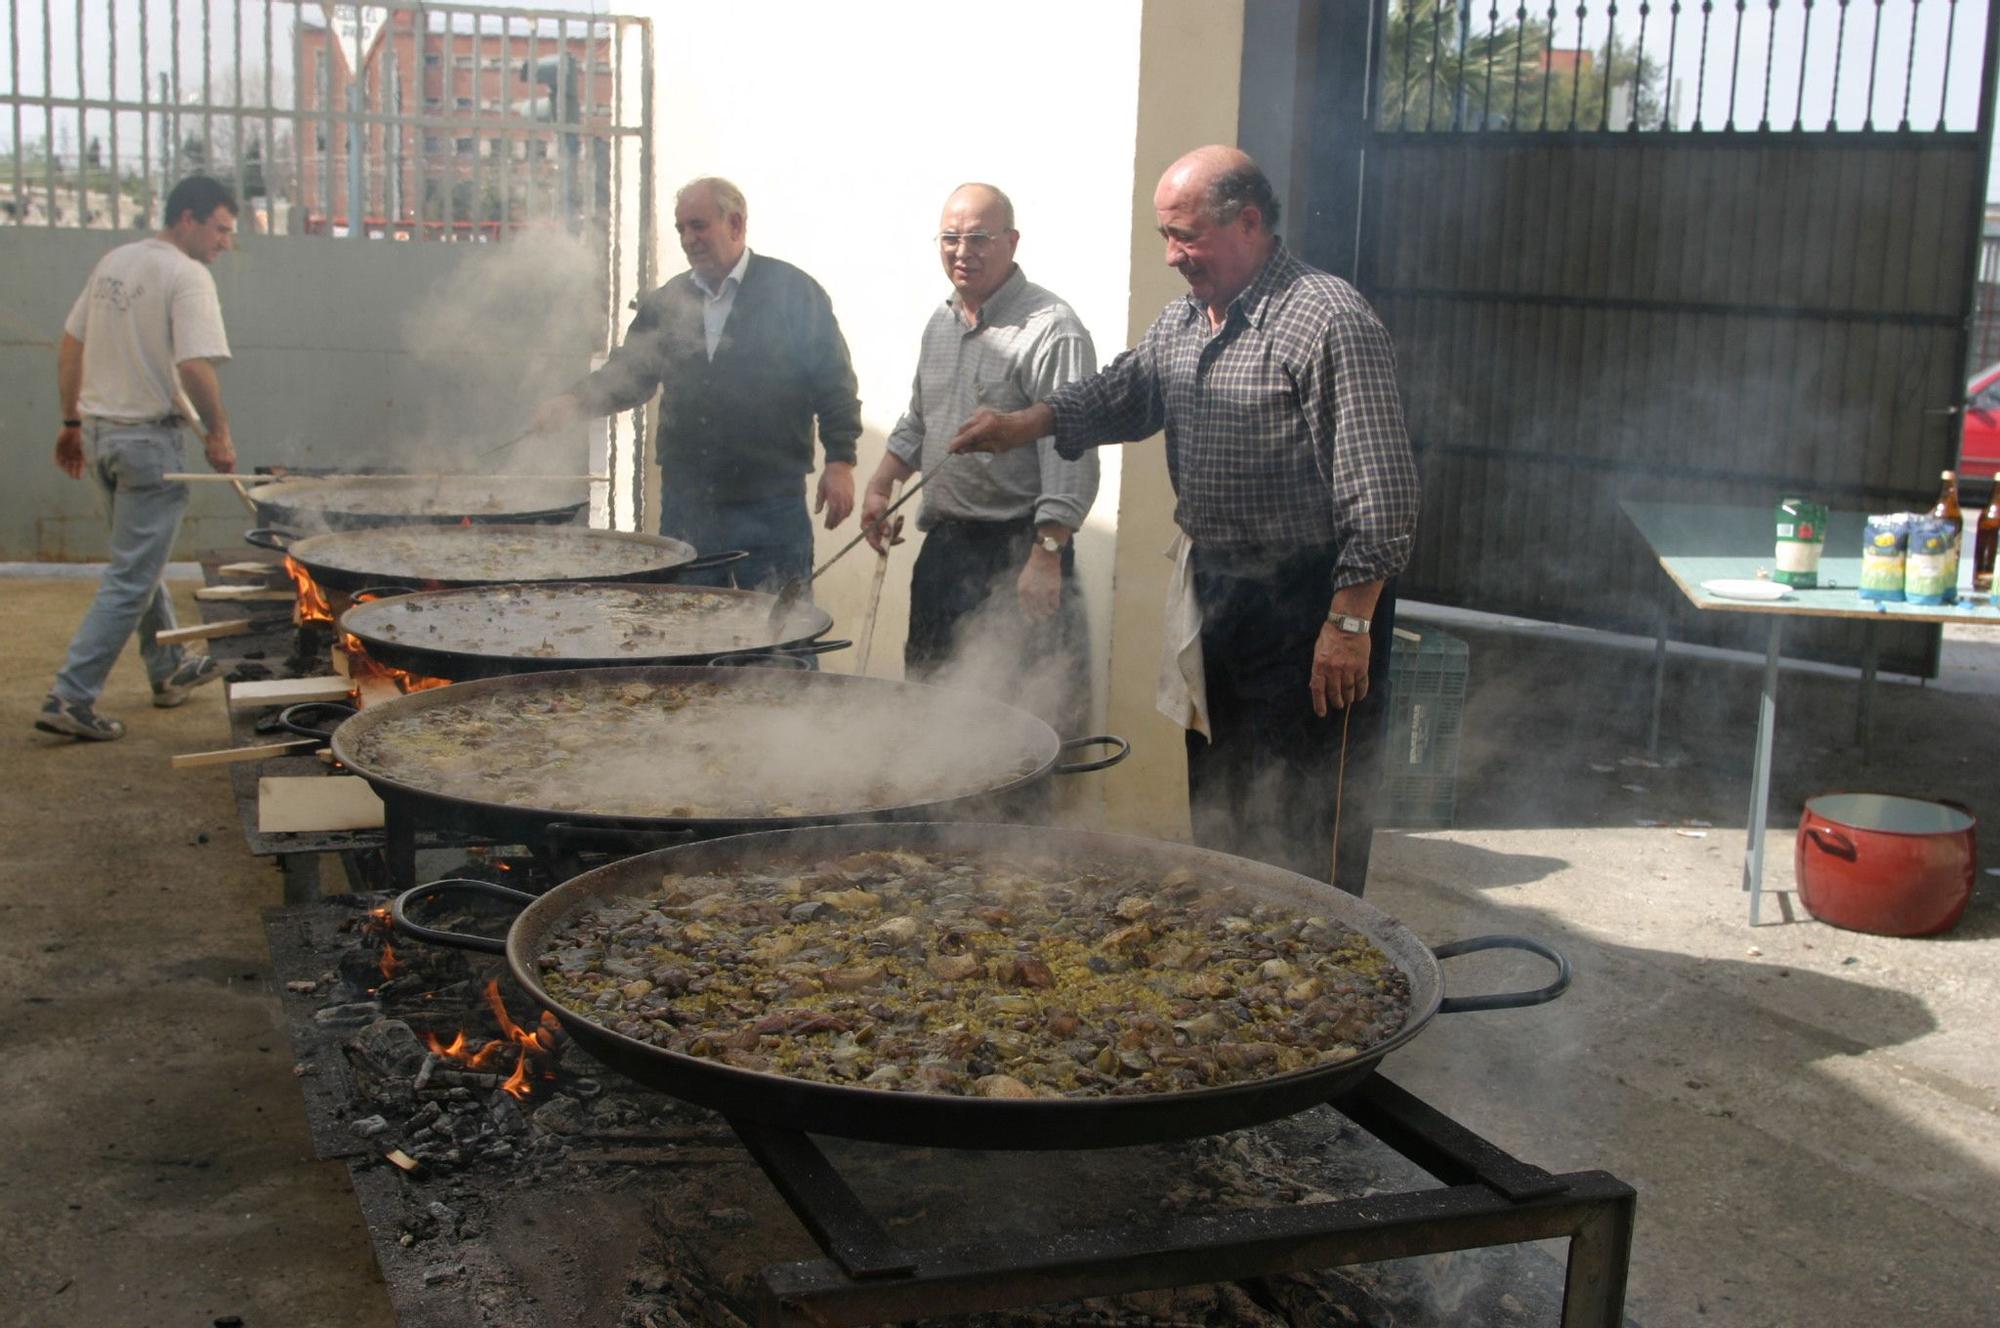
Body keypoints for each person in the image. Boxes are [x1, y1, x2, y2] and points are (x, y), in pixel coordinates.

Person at [950, 147, 1420, 895]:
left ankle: (1322, 968)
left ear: (1250, 222)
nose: (1173, 255)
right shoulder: (1183, 322)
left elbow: (1383, 491)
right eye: (1165, 235)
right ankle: (1239, 943)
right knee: (1225, 786)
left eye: (1187, 236)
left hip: (1314, 600)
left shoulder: (1326, 318)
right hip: (1222, 591)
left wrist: (1351, 624)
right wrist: (1023, 424)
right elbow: (1123, 394)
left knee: (1305, 804)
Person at [534, 177, 861, 591]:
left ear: (736, 224)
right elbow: (630, 373)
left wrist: (841, 461)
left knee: (781, 633)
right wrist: (574, 401)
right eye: (681, 228)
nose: (689, 239)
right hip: (690, 506)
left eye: (699, 225)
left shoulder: (794, 293)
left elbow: (833, 381)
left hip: (771, 504)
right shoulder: (667, 303)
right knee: (690, 629)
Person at [859, 183, 1098, 734]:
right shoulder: (941, 323)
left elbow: (1071, 450)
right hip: (945, 551)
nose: (961, 250)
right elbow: (920, 421)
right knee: (930, 711)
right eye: (950, 237)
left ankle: (1011, 826)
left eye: (978, 238)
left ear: (1012, 242)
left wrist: (1048, 553)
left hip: (1019, 554)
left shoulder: (1052, 328)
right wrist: (881, 483)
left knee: (1018, 725)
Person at [36, 175, 239, 743]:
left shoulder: (116, 262)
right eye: (221, 230)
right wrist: (219, 434)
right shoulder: (186, 274)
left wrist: (72, 421)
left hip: (102, 436)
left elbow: (71, 342)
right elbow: (197, 364)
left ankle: (168, 669)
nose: (225, 243)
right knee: (130, 577)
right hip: (149, 444)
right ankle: (70, 697)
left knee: (137, 562)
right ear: (189, 219)